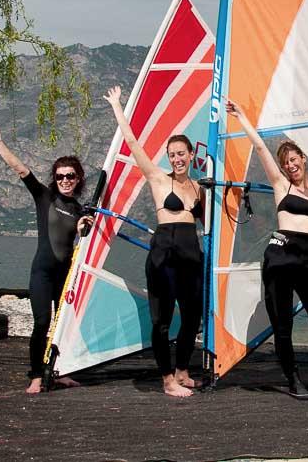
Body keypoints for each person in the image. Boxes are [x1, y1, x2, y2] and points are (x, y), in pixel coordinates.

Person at [225, 98, 308, 399]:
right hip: (281, 255)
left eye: (293, 159)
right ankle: (292, 378)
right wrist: (242, 117)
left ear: (303, 158)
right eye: (285, 162)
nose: (290, 165)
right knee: (283, 324)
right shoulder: (281, 186)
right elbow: (260, 148)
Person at [104, 85, 204, 397]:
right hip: (164, 253)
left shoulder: (200, 188)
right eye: (172, 155)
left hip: (191, 254)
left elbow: (214, 222)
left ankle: (182, 370)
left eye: (181, 153)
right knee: (162, 320)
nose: (176, 159)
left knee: (192, 318)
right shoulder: (159, 179)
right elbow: (133, 143)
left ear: (191, 154)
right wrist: (117, 106)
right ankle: (167, 380)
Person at [0, 126, 92, 394]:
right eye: (60, 176)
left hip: (65, 275)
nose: (65, 180)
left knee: (64, 326)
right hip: (42, 272)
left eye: (70, 176)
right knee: (42, 323)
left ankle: (60, 371)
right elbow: (21, 170)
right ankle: (37, 376)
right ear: (55, 178)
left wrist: (83, 227)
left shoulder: (80, 209)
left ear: (78, 178)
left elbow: (83, 235)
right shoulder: (45, 197)